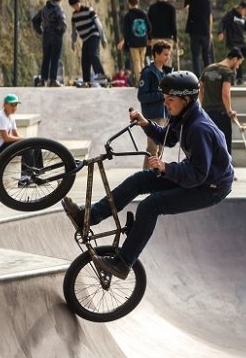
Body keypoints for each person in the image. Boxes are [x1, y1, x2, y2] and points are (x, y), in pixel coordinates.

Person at [58, 70, 233, 279]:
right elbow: (167, 139)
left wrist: (167, 168)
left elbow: (198, 175)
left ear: (186, 99)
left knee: (151, 205)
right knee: (140, 180)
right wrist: (145, 123)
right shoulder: (183, 115)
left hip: (210, 188)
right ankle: (89, 216)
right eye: (165, 99)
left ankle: (123, 263)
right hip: (197, 175)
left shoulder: (199, 128)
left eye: (170, 100)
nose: (166, 104)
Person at [199, 49, 242, 149]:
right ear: (235, 59)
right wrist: (229, 111)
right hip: (221, 114)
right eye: (238, 63)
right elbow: (225, 93)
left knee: (209, 145)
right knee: (224, 146)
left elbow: (200, 88)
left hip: (207, 114)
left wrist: (202, 105)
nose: (238, 66)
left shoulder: (208, 69)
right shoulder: (227, 72)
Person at [69, 0, 108, 87]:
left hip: (94, 35)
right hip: (85, 39)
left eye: (77, 4)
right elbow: (74, 32)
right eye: (74, 6)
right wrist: (73, 42)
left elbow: (98, 24)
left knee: (93, 54)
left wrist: (103, 38)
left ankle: (101, 77)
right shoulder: (74, 17)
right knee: (85, 60)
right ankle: (86, 81)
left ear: (80, 2)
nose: (76, 7)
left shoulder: (88, 10)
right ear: (72, 7)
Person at [34, 0, 67, 87]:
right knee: (55, 58)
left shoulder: (44, 9)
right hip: (56, 35)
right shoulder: (58, 8)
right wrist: (61, 31)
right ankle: (53, 80)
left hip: (46, 35)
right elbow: (63, 22)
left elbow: (35, 19)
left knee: (46, 58)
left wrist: (40, 30)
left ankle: (43, 80)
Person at [137, 39, 173, 123]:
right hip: (153, 118)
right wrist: (161, 95)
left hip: (167, 116)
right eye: (165, 55)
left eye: (169, 55)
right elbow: (141, 96)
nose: (168, 57)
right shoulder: (147, 73)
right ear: (156, 53)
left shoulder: (167, 73)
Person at [183, 0, 213, 76]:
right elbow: (210, 16)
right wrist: (210, 32)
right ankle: (208, 77)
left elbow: (186, 9)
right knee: (206, 56)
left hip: (194, 30)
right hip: (205, 30)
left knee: (195, 56)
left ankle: (197, 77)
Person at [117, 0, 151, 73]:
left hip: (133, 43)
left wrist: (124, 42)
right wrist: (148, 38)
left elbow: (126, 31)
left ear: (129, 3)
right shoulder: (143, 14)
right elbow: (149, 27)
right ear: (137, 3)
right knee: (142, 62)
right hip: (143, 41)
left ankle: (140, 80)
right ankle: (144, 79)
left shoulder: (128, 16)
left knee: (136, 62)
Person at [148, 0, 179, 66]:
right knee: (167, 59)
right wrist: (175, 37)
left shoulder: (152, 8)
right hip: (167, 37)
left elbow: (148, 24)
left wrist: (149, 38)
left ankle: (156, 77)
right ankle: (167, 77)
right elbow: (173, 23)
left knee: (156, 59)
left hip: (155, 37)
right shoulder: (171, 8)